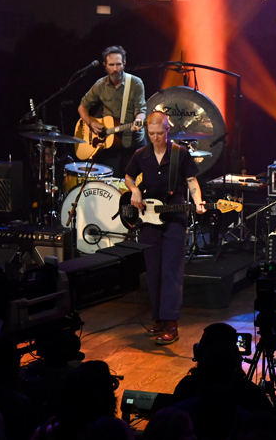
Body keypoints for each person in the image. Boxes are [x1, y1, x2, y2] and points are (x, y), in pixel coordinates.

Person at [125, 110, 206, 344]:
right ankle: (158, 320)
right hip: (149, 219)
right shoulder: (141, 155)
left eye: (159, 134)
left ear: (167, 130)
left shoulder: (180, 153)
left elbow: (192, 181)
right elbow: (128, 177)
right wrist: (134, 189)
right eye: (151, 134)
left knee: (171, 271)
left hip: (175, 218)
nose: (155, 138)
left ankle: (171, 323)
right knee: (153, 271)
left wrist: (198, 201)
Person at [79, 45, 147, 176]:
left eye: (118, 64)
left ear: (124, 63)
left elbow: (141, 110)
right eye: (111, 65)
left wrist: (139, 120)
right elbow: (82, 107)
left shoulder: (135, 83)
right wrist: (91, 123)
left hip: (132, 141)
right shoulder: (100, 85)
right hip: (109, 141)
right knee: (108, 180)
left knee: (138, 179)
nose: (115, 69)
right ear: (104, 65)